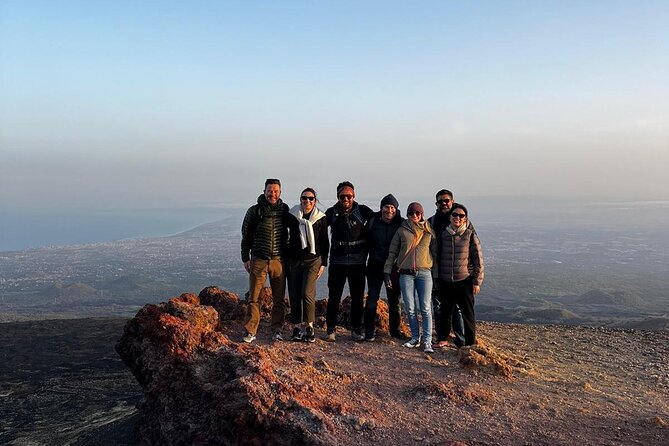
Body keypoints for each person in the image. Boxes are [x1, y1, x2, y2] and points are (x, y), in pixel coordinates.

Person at [240, 178, 290, 343]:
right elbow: (245, 235)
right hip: (258, 259)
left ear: (280, 193)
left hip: (278, 260)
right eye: (270, 191)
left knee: (279, 298)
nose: (272, 194)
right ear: (264, 191)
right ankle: (251, 330)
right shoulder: (254, 211)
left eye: (276, 191)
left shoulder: (285, 210)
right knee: (254, 297)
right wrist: (245, 257)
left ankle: (277, 329)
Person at [323, 181, 374, 342]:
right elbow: (320, 232)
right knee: (334, 297)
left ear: (354, 196)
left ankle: (356, 329)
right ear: (337, 196)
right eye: (342, 196)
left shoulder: (363, 211)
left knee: (358, 298)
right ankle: (330, 329)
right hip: (337, 262)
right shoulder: (331, 212)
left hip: (358, 263)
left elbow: (380, 223)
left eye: (348, 196)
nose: (345, 198)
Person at [384, 202, 437, 353]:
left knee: (426, 308)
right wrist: (387, 272)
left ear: (422, 214)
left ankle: (426, 341)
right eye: (411, 213)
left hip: (424, 273)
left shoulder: (428, 231)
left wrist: (436, 274)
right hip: (406, 274)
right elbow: (392, 253)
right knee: (410, 308)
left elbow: (435, 253)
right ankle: (415, 337)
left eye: (417, 213)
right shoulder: (401, 231)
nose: (414, 216)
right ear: (407, 214)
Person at [435, 204, 484, 347]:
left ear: (465, 219)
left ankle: (470, 344)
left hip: (464, 281)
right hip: (446, 281)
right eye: (455, 215)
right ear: (450, 217)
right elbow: (437, 258)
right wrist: (437, 278)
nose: (457, 217)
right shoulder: (443, 235)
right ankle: (443, 339)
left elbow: (478, 259)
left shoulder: (470, 235)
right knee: (446, 312)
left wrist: (477, 282)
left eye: (461, 216)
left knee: (467, 315)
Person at [286, 188, 329, 343]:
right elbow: (286, 236)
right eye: (304, 198)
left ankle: (309, 325)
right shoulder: (292, 215)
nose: (307, 201)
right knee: (294, 293)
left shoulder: (321, 218)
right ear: (300, 199)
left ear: (315, 201)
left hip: (313, 259)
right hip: (294, 259)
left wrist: (324, 262)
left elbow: (325, 241)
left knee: (307, 292)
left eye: (311, 199)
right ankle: (297, 327)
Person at [428, 189, 466, 348]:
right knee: (438, 305)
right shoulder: (432, 221)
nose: (444, 203)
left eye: (446, 200)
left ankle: (461, 339)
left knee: (456, 306)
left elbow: (472, 246)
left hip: (455, 271)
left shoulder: (461, 219)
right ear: (436, 203)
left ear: (452, 201)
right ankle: (442, 336)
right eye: (440, 201)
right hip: (437, 269)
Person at [364, 194, 404, 341]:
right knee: (372, 298)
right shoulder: (373, 222)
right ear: (381, 208)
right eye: (386, 207)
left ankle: (395, 331)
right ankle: (368, 330)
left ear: (396, 209)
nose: (389, 210)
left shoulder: (401, 223)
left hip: (393, 268)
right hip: (374, 265)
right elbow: (365, 243)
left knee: (394, 300)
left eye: (392, 207)